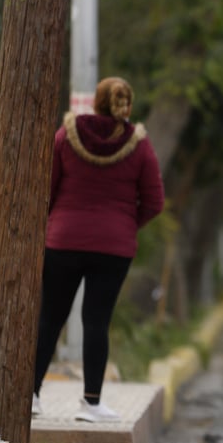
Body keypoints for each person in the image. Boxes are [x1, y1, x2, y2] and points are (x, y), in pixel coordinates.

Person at [32, 77, 165, 423]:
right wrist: (123, 225)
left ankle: (30, 395)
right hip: (114, 248)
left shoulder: (67, 135)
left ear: (95, 102)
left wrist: (54, 222)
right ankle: (91, 404)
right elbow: (154, 202)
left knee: (50, 318)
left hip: (62, 241)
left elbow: (46, 186)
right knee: (97, 321)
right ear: (127, 105)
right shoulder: (139, 145)